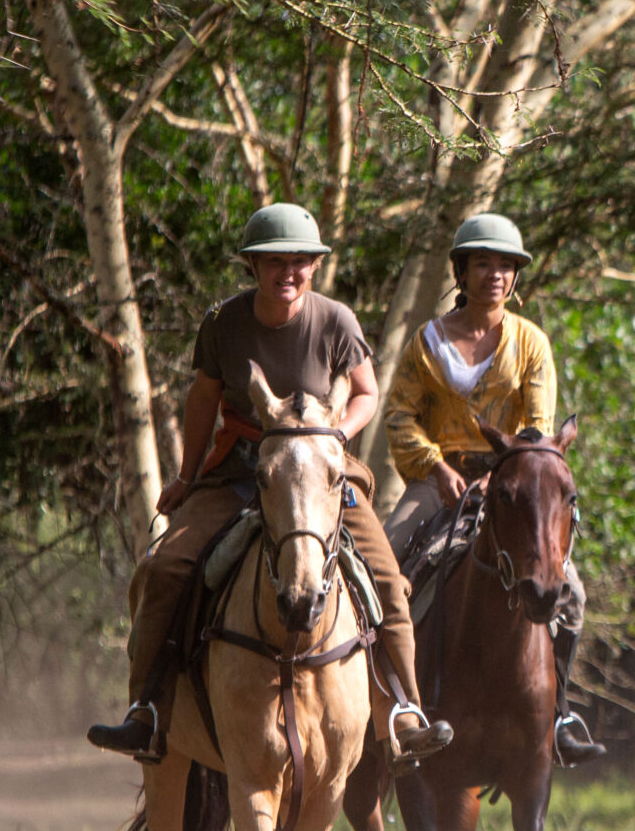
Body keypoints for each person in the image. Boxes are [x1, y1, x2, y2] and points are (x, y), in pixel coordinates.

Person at [86, 203, 452, 765]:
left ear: (315, 266)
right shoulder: (224, 324)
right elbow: (204, 397)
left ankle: (404, 709)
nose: (289, 273)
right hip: (240, 469)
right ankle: (148, 710)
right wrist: (187, 477)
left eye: (301, 262)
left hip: (320, 476)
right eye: (275, 262)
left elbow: (366, 392)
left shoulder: (336, 321)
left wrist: (334, 436)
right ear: (253, 267)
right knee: (165, 570)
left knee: (387, 578)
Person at [382, 212, 603, 764]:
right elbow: (400, 416)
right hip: (439, 482)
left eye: (506, 266)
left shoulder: (531, 343)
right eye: (484, 264)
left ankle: (560, 713)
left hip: (514, 486)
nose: (496, 275)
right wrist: (435, 467)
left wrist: (500, 475)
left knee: (570, 591)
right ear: (461, 271)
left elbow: (536, 427)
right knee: (381, 567)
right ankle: (394, 708)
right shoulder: (425, 343)